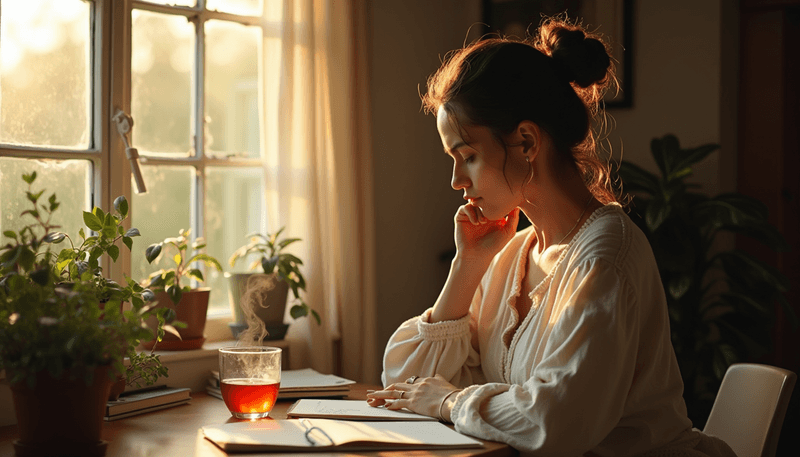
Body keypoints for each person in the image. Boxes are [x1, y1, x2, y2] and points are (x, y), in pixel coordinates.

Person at [366, 17, 737, 457]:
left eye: (466, 156)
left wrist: (450, 402)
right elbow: (404, 384)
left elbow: (555, 420)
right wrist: (466, 269)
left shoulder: (606, 255)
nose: (455, 181)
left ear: (525, 141)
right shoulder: (516, 253)